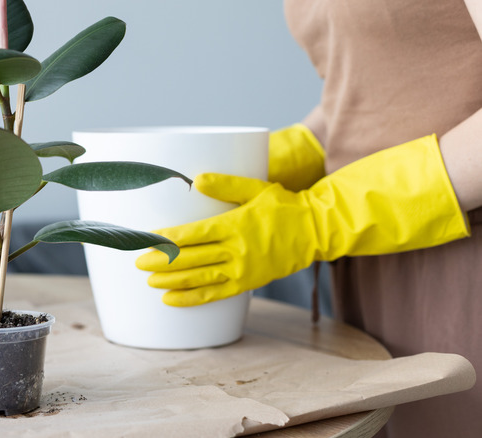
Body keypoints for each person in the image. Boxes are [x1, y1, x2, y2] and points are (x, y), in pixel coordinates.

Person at [136, 1, 482, 437]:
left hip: (461, 260)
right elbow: (371, 82)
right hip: (374, 258)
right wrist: (303, 149)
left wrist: (323, 216)